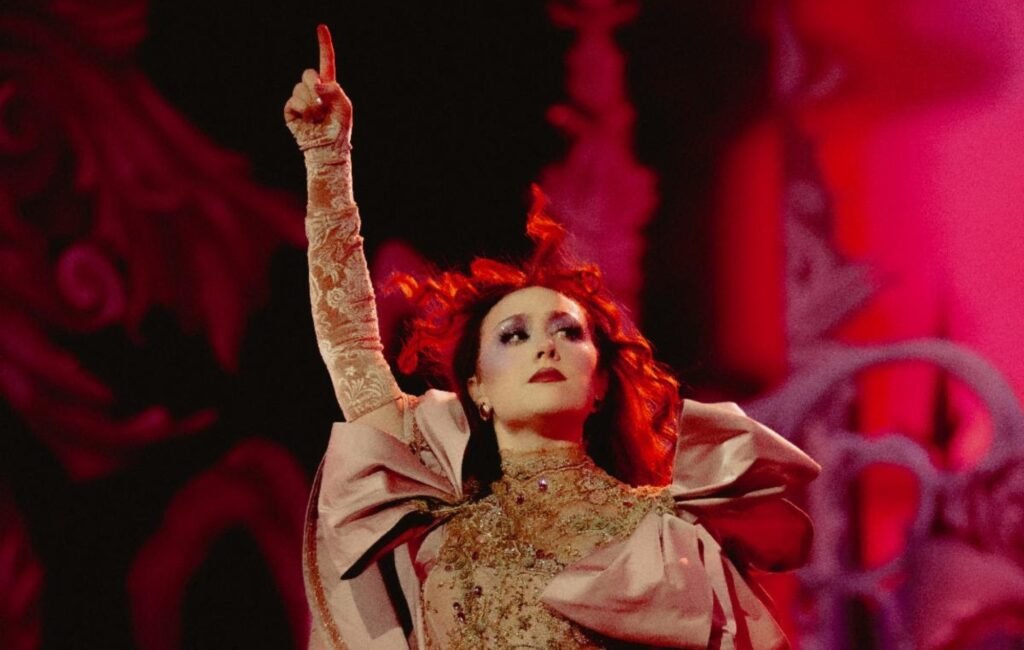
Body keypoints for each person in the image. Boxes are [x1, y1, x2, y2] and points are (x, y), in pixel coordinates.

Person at [286, 25, 819, 650]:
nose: (546, 346)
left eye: (569, 332)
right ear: (476, 389)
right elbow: (351, 346)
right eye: (513, 336)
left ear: (600, 383)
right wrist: (326, 158)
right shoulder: (432, 518)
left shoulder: (666, 534)